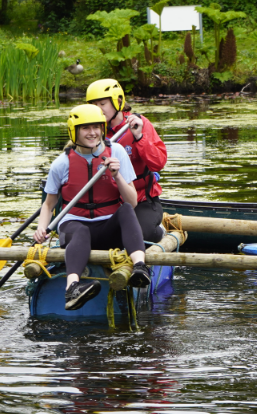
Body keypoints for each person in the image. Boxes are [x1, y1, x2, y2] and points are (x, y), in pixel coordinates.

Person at [33, 104, 150, 310]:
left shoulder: (117, 152)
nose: (93, 132)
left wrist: (117, 176)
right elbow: (49, 204)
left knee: (126, 210)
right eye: (85, 128)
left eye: (96, 127)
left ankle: (140, 267)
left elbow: (132, 201)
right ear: (74, 131)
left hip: (107, 227)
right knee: (81, 229)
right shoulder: (61, 163)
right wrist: (41, 227)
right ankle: (72, 288)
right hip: (73, 227)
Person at [85, 79, 168, 242]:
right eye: (94, 105)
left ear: (118, 101)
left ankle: (159, 232)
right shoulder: (92, 132)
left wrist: (139, 136)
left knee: (140, 236)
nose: (98, 109)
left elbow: (158, 163)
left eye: (102, 103)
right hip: (109, 202)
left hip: (142, 199)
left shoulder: (140, 124)